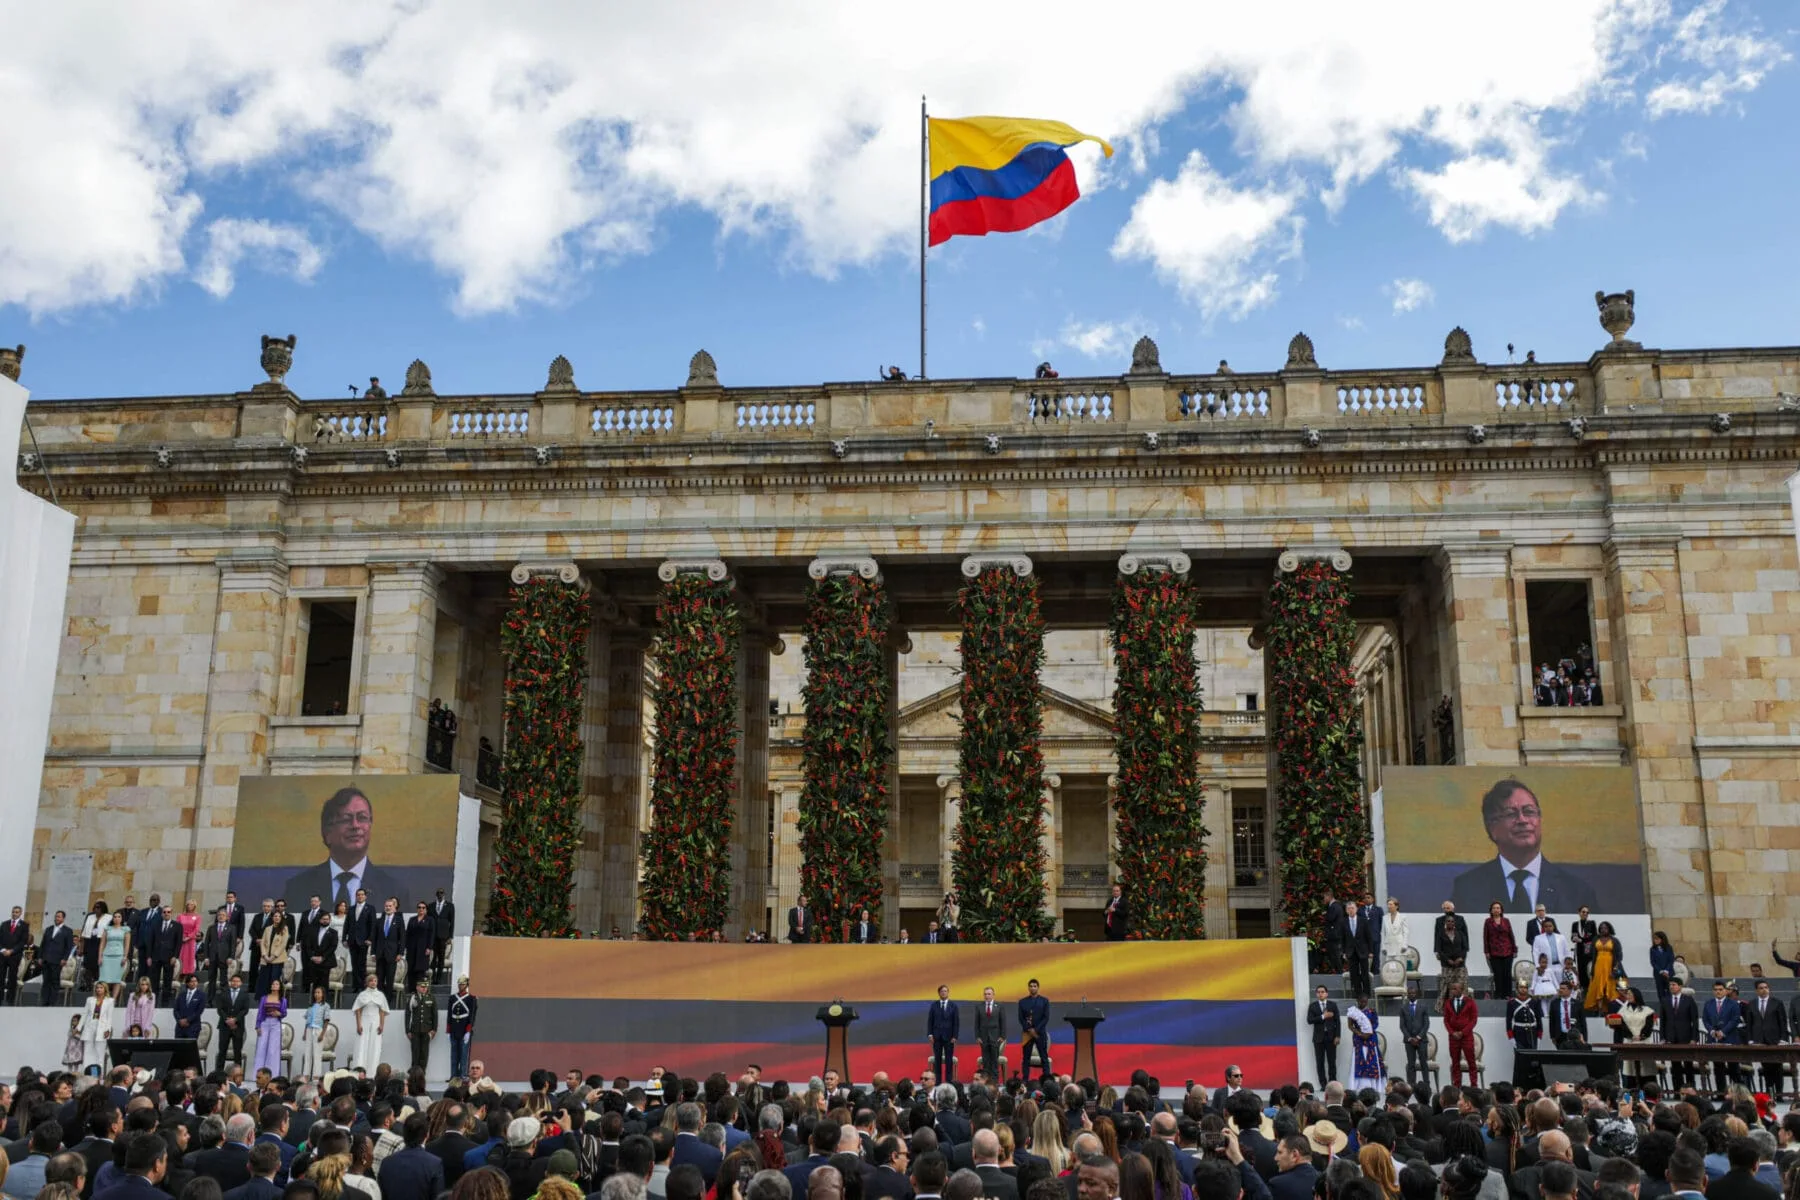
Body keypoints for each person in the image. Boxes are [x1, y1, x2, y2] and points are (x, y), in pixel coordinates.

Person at [1447, 779, 1598, 915]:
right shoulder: (1468, 888)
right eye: (1511, 814)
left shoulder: (1577, 891)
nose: (1522, 820)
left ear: (1539, 820)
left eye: (1529, 812)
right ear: (1492, 828)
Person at [281, 787, 407, 913]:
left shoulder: (394, 890)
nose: (355, 825)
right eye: (346, 819)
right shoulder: (297, 888)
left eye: (362, 818)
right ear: (328, 832)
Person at [1702, 979, 1743, 1090]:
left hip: (1730, 1039)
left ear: (1725, 991)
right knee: (1718, 1068)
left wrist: (1723, 1032)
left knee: (1734, 1069)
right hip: (1714, 1040)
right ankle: (1721, 1093)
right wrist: (1712, 1031)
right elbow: (1705, 1020)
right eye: (1716, 990)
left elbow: (1735, 1020)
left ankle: (1740, 1093)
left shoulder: (1733, 1004)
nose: (1718, 992)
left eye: (1720, 989)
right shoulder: (1708, 1004)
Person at [1614, 987, 1656, 1089]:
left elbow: (1649, 1026)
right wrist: (1631, 1036)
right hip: (1629, 1041)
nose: (1628, 996)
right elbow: (1621, 1026)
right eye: (1627, 994)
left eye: (1630, 994)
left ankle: (1649, 1090)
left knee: (1646, 1068)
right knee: (1630, 1069)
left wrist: (1641, 1036)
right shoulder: (1622, 1011)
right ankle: (1632, 1091)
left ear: (1636, 995)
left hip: (1644, 1042)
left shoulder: (1647, 1010)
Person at [1663, 977, 1701, 1090]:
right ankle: (1677, 1090)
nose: (1671, 987)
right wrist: (1663, 1037)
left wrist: (1694, 1038)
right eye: (1670, 985)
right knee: (1675, 1065)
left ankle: (1690, 1090)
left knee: (1688, 1065)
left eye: (1674, 984)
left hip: (1686, 1038)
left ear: (1680, 986)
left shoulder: (1688, 1000)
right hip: (1671, 1038)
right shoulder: (1665, 1000)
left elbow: (1694, 1021)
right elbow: (1663, 1021)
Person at [1441, 980, 1478, 1087]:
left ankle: (1474, 1085)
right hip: (1453, 1038)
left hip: (1466, 1037)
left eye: (1455, 989)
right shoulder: (1448, 1002)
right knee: (1455, 1062)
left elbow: (1473, 1020)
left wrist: (1463, 1032)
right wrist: (1452, 1032)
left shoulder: (1470, 1002)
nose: (1452, 991)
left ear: (1461, 990)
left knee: (1471, 1061)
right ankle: (1457, 1085)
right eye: (1452, 989)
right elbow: (1446, 1020)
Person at [1335, 901, 1375, 997]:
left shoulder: (1363, 921)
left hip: (1363, 951)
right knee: (1354, 974)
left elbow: (1369, 937)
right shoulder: (1343, 922)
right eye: (1348, 909)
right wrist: (1343, 952)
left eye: (1352, 908)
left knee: (1365, 972)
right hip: (1350, 951)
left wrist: (1371, 951)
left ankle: (1367, 993)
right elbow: (1342, 938)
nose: (1351, 910)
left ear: (1356, 909)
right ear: (1346, 911)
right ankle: (1358, 994)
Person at [1345, 996, 1382, 1093]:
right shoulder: (1353, 1011)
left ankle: (1372, 1086)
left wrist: (1368, 1032)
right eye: (1361, 1001)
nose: (1363, 1003)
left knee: (1371, 1062)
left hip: (1370, 1038)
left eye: (1365, 1002)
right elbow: (1350, 1026)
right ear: (1357, 1001)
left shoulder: (1372, 1011)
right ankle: (1357, 1086)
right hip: (1358, 1039)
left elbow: (1375, 1024)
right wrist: (1359, 1033)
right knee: (1359, 1061)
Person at [352, 974, 389, 1070]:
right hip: (364, 1021)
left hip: (376, 1022)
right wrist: (358, 1025)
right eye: (371, 980)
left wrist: (382, 1025)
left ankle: (372, 1072)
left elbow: (382, 1011)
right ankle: (360, 1070)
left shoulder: (380, 995)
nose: (373, 982)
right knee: (362, 1045)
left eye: (375, 981)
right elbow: (358, 1010)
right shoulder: (362, 995)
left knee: (375, 1046)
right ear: (367, 982)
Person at [1397, 985, 1430, 1092]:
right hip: (1409, 1041)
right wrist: (1410, 1038)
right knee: (1411, 1064)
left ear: (1417, 994)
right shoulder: (1403, 1007)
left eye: (1414, 993)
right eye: (1410, 993)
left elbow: (1426, 1024)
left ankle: (1426, 1086)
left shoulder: (1423, 1006)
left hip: (1422, 1040)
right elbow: (1402, 1026)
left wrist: (1418, 1037)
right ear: (1407, 994)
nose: (1412, 995)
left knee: (1424, 1063)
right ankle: (1411, 1087)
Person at [1584, 923, 1622, 1014]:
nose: (1603, 929)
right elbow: (1591, 953)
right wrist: (1587, 949)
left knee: (1608, 987)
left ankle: (1609, 1008)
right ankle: (1599, 1009)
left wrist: (1615, 968)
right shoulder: (1596, 939)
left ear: (1609, 929)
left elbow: (1619, 956)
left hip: (1609, 965)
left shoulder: (1614, 940)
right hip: (1598, 965)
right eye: (1601, 928)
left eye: (1605, 928)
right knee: (1598, 986)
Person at [39, 910, 75, 1006]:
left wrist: (64, 958)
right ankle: (44, 1002)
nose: (57, 918)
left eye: (59, 917)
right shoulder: (49, 929)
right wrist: (40, 957)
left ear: (63, 918)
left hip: (57, 960)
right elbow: (43, 944)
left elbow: (68, 947)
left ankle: (52, 1002)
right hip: (46, 959)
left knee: (54, 981)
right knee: (46, 981)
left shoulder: (68, 931)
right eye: (56, 916)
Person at [202, 909, 240, 1000]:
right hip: (212, 957)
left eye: (223, 915)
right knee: (211, 979)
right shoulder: (211, 928)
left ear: (227, 917)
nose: (221, 916)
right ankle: (210, 1000)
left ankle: (224, 1000)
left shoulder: (231, 928)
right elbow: (206, 943)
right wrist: (206, 957)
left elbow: (233, 944)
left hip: (225, 957)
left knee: (223, 979)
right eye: (219, 915)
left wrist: (231, 957)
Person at [1433, 902, 1469, 999]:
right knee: (1446, 984)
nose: (1446, 910)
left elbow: (1465, 938)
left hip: (1459, 958)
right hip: (1446, 958)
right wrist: (1437, 952)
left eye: (1448, 908)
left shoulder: (1460, 919)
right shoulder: (1439, 920)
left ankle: (1462, 1002)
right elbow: (1437, 937)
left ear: (1453, 908)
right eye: (1444, 908)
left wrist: (1462, 957)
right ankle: (1446, 1003)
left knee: (1461, 983)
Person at [252, 980, 287, 1077]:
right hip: (265, 1023)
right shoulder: (264, 998)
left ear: (280, 987)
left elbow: (284, 1013)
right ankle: (258, 1075)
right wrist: (258, 1026)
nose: (274, 985)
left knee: (273, 1050)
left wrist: (279, 1014)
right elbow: (260, 1012)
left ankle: (273, 1075)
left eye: (276, 984)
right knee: (261, 1048)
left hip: (275, 1024)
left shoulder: (283, 1000)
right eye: (273, 984)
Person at [1481, 903, 1516, 1000]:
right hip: (1494, 952)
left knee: (1507, 974)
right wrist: (1486, 951)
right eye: (1494, 908)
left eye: (1498, 908)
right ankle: (1499, 995)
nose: (1496, 910)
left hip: (1507, 951)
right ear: (1491, 910)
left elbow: (1511, 935)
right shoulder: (1488, 921)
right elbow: (1485, 937)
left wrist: (1514, 949)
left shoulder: (1506, 921)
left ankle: (1508, 995)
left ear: (1501, 910)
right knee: (1498, 974)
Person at [1017, 979, 1051, 1080]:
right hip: (1027, 1034)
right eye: (1031, 986)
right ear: (1028, 988)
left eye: (1034, 986)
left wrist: (1035, 1030)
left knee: (1044, 1057)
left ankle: (1046, 1080)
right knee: (1026, 1058)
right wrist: (1029, 1029)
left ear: (1038, 988)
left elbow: (1046, 1017)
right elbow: (1021, 1018)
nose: (1033, 988)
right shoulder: (1022, 1002)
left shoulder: (1044, 1001)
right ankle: (1025, 1080)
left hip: (1040, 1033)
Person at [77, 982, 114, 1072]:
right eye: (97, 987)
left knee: (99, 1053)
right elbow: (85, 1014)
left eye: (101, 987)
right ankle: (87, 1073)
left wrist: (108, 1030)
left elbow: (109, 1017)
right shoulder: (90, 999)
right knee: (88, 1051)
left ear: (105, 989)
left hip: (102, 1028)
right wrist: (78, 1027)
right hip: (90, 1026)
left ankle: (98, 1074)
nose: (99, 989)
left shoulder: (110, 1001)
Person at [1306, 986, 1340, 1085]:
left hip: (1331, 1038)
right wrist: (1323, 1016)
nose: (1320, 994)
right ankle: (1323, 1084)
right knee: (1320, 1062)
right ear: (1316, 994)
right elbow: (1309, 1020)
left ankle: (1332, 1083)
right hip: (1318, 1038)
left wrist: (1337, 1036)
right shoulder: (1313, 1006)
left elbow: (1337, 1022)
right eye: (1318, 992)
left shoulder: (1333, 1005)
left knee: (1332, 1062)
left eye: (1322, 992)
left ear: (1326, 993)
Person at [372, 900, 405, 998]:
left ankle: (388, 999)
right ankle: (379, 998)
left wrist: (400, 953)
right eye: (386, 906)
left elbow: (402, 938)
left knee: (390, 978)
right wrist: (373, 953)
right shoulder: (379, 920)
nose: (388, 908)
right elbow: (374, 938)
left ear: (394, 908)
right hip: (380, 953)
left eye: (390, 906)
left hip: (392, 954)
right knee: (379, 978)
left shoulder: (399, 920)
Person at [296, 986, 329, 1080]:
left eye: (318, 992)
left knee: (317, 1054)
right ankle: (306, 1075)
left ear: (322, 994)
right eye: (315, 992)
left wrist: (322, 1034)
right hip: (309, 1030)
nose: (316, 994)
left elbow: (326, 1021)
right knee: (308, 1053)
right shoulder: (311, 1006)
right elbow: (307, 1021)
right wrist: (305, 1033)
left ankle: (316, 1076)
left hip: (318, 1030)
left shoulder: (325, 1006)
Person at [926, 986, 959, 1083]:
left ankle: (949, 1081)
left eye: (945, 991)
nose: (943, 993)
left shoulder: (953, 1006)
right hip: (936, 1037)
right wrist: (930, 1034)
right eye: (942, 991)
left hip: (949, 1037)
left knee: (949, 1061)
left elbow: (956, 1022)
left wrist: (955, 1036)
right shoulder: (934, 1005)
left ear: (948, 992)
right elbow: (930, 1020)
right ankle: (938, 1081)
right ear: (939, 993)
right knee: (937, 1061)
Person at [973, 987, 1005, 1084]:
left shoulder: (999, 1006)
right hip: (983, 1038)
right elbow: (976, 1023)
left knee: (994, 1060)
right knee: (985, 1061)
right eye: (985, 994)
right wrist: (977, 1036)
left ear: (993, 995)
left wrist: (1002, 1036)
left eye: (989, 994)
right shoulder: (979, 1007)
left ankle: (994, 1081)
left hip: (996, 1037)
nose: (987, 996)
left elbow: (1003, 1022)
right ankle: (986, 1080)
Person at [0, 905, 31, 1004]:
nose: (14, 914)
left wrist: (12, 951)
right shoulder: (4, 924)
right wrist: (3, 950)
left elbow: (23, 942)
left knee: (12, 978)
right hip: (3, 955)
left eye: (17, 912)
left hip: (14, 956)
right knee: (1, 977)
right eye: (13, 912)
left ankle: (10, 999)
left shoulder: (24, 925)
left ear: (20, 913)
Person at [256, 910, 291, 998]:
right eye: (275, 916)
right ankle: (263, 999)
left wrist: (273, 956)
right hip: (265, 959)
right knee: (264, 980)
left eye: (279, 916)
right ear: (272, 918)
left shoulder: (284, 928)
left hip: (277, 959)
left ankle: (275, 998)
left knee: (274, 979)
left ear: (281, 918)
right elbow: (263, 943)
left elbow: (283, 944)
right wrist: (264, 955)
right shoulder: (268, 928)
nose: (277, 918)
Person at [405, 977, 437, 1072]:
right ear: (417, 987)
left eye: (426, 987)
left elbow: (435, 1015)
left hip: (427, 1030)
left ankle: (422, 1074)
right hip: (415, 1030)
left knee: (424, 1054)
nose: (424, 988)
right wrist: (407, 1030)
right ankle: (414, 1074)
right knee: (415, 1053)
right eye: (422, 987)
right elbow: (408, 1014)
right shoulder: (412, 998)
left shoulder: (431, 997)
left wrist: (434, 1029)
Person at [1547, 981, 1587, 1049]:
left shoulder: (1577, 1003)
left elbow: (1583, 1021)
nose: (1560, 990)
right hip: (1560, 1035)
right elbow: (1552, 1021)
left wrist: (1584, 1037)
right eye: (1560, 988)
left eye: (1563, 988)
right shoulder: (1554, 1003)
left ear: (1570, 990)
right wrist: (1552, 1036)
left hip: (1575, 1036)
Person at [98, 913, 130, 998]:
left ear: (122, 918)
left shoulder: (125, 929)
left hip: (119, 956)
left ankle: (113, 1000)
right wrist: (100, 957)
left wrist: (125, 957)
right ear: (112, 918)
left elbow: (127, 945)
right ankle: (104, 998)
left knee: (117, 980)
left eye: (119, 917)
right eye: (115, 917)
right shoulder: (107, 929)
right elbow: (102, 943)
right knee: (104, 979)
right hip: (106, 956)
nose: (117, 918)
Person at [404, 903, 435, 990]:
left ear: (426, 909)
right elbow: (408, 934)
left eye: (423, 907)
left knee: (420, 970)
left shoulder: (430, 920)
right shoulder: (412, 919)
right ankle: (411, 990)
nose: (421, 909)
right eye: (419, 907)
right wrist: (406, 946)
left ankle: (420, 992)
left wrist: (429, 947)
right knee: (411, 969)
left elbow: (432, 934)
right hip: (411, 948)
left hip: (423, 948)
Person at [1569, 908, 1598, 992]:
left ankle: (1591, 987)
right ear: (1579, 913)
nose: (1585, 913)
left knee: (1589, 968)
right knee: (1580, 969)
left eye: (1587, 912)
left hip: (1589, 950)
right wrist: (1574, 938)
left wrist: (1582, 940)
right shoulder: (1575, 924)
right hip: (1579, 950)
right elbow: (1573, 936)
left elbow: (1595, 937)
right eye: (1583, 912)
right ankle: (1582, 988)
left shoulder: (1591, 923)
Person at [173, 973, 208, 1038]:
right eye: (192, 981)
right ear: (187, 983)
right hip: (180, 1027)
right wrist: (179, 1020)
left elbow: (199, 1011)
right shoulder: (181, 995)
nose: (194, 983)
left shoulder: (202, 995)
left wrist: (187, 1020)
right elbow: (176, 1010)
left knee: (190, 1045)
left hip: (193, 1027)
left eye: (195, 981)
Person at [1379, 899, 1408, 967]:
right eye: (1388, 904)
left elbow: (1405, 932)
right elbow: (1383, 933)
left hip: (1399, 946)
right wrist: (1383, 947)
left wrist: (1404, 945)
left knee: (1400, 967)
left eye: (1391, 904)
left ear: (1396, 906)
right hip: (1388, 947)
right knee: (1389, 968)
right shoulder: (1384, 918)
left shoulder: (1402, 917)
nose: (1388, 906)